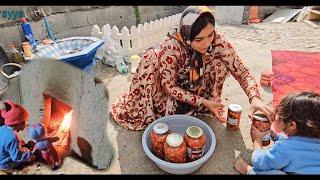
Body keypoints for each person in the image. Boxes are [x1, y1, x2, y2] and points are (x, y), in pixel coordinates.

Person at [111, 6, 271, 130]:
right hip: (174, 86)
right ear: (186, 36)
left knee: (219, 62)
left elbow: (241, 70)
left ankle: (205, 103)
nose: (207, 43)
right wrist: (201, 101)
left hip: (198, 85)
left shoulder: (217, 41)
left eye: (210, 35)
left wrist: (254, 97)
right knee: (151, 57)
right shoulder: (172, 46)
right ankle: (190, 105)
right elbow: (168, 86)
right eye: (199, 39)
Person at [234, 91, 320, 175]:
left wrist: (257, 141)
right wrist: (276, 136)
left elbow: (259, 162)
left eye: (280, 118)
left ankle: (248, 171)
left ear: (291, 125)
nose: (276, 120)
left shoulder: (285, 148)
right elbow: (299, 144)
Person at [0, 100, 35, 171]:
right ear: (18, 123)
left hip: (2, 155)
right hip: (5, 163)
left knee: (25, 147)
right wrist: (29, 156)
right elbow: (16, 157)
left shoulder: (3, 128)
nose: (27, 123)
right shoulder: (13, 137)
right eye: (26, 120)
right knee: (31, 157)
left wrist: (23, 145)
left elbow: (10, 143)